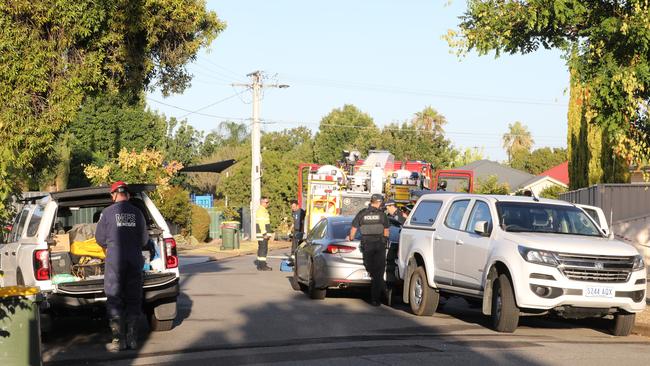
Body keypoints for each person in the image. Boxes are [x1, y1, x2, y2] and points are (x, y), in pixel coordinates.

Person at [95, 181, 148, 352]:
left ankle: (118, 341)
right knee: (134, 298)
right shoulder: (138, 213)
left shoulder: (107, 213)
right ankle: (132, 340)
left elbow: (100, 239)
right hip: (134, 260)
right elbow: (144, 241)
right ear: (128, 194)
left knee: (114, 297)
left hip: (115, 261)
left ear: (114, 195)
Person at [348, 194, 390, 306]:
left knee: (371, 268)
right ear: (378, 202)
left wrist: (351, 238)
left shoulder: (362, 213)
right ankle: (378, 297)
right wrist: (385, 241)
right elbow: (386, 230)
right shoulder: (382, 215)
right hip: (380, 245)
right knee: (378, 272)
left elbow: (353, 229)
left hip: (367, 245)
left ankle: (380, 293)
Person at [383, 199, 407, 304]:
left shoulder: (400, 216)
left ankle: (393, 292)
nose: (387, 210)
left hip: (397, 245)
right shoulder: (394, 216)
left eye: (387, 208)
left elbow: (403, 229)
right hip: (394, 244)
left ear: (392, 206)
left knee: (393, 268)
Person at [255, 197, 273, 271]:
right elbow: (261, 223)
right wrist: (264, 233)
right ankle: (262, 266)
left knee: (261, 249)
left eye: (268, 202)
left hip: (263, 234)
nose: (268, 204)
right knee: (263, 249)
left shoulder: (263, 210)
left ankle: (260, 265)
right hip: (263, 234)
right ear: (262, 202)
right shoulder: (261, 211)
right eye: (266, 202)